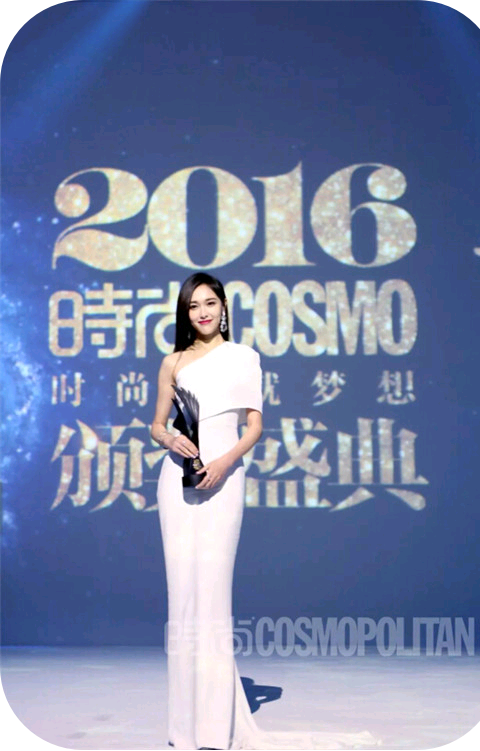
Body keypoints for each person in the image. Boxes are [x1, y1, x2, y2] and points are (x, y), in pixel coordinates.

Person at [151, 272, 381, 751]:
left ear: (224, 307)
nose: (202, 312)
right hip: (178, 482)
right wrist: (170, 438)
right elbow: (156, 425)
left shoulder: (244, 357)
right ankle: (184, 728)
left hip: (225, 478)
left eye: (210, 302)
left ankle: (215, 727)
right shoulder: (173, 362)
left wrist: (223, 463)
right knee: (183, 599)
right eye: (193, 305)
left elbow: (254, 427)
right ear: (184, 313)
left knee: (213, 596)